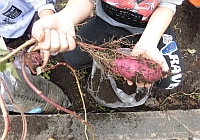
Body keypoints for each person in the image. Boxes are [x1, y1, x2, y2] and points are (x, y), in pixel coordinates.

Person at [32, 0, 184, 89]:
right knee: (73, 58)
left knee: (171, 79)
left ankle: (139, 47)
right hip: (106, 23)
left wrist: (149, 41)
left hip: (150, 28)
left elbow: (167, 5)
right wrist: (66, 16)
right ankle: (119, 53)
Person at [0, 0, 56, 69]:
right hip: (6, 31)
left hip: (31, 15)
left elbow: (43, 3)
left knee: (53, 42)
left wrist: (47, 31)